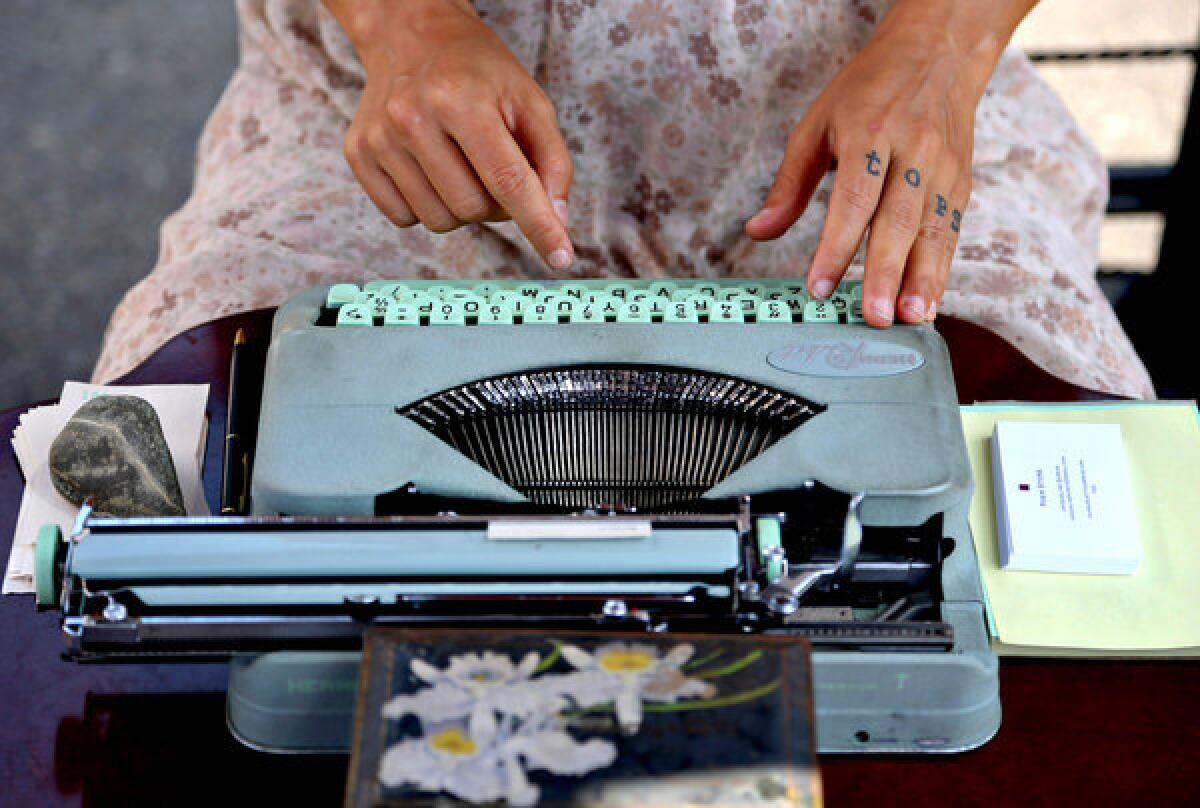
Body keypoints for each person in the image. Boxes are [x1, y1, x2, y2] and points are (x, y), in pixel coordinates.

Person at [93, 0, 1154, 399]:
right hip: (403, 124)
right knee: (184, 418)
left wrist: (943, 45)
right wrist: (403, 26)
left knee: (1057, 446)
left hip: (855, 109)